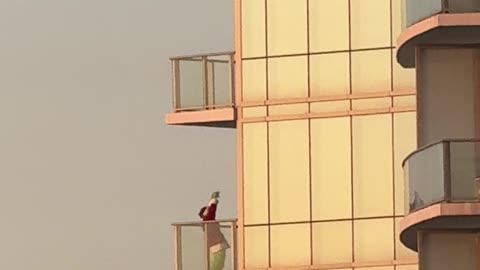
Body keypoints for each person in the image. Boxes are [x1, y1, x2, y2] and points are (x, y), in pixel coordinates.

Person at [198, 191, 230, 270]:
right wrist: (213, 200)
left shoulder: (205, 221)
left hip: (215, 244)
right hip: (217, 243)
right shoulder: (208, 218)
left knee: (218, 263)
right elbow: (212, 209)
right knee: (218, 263)